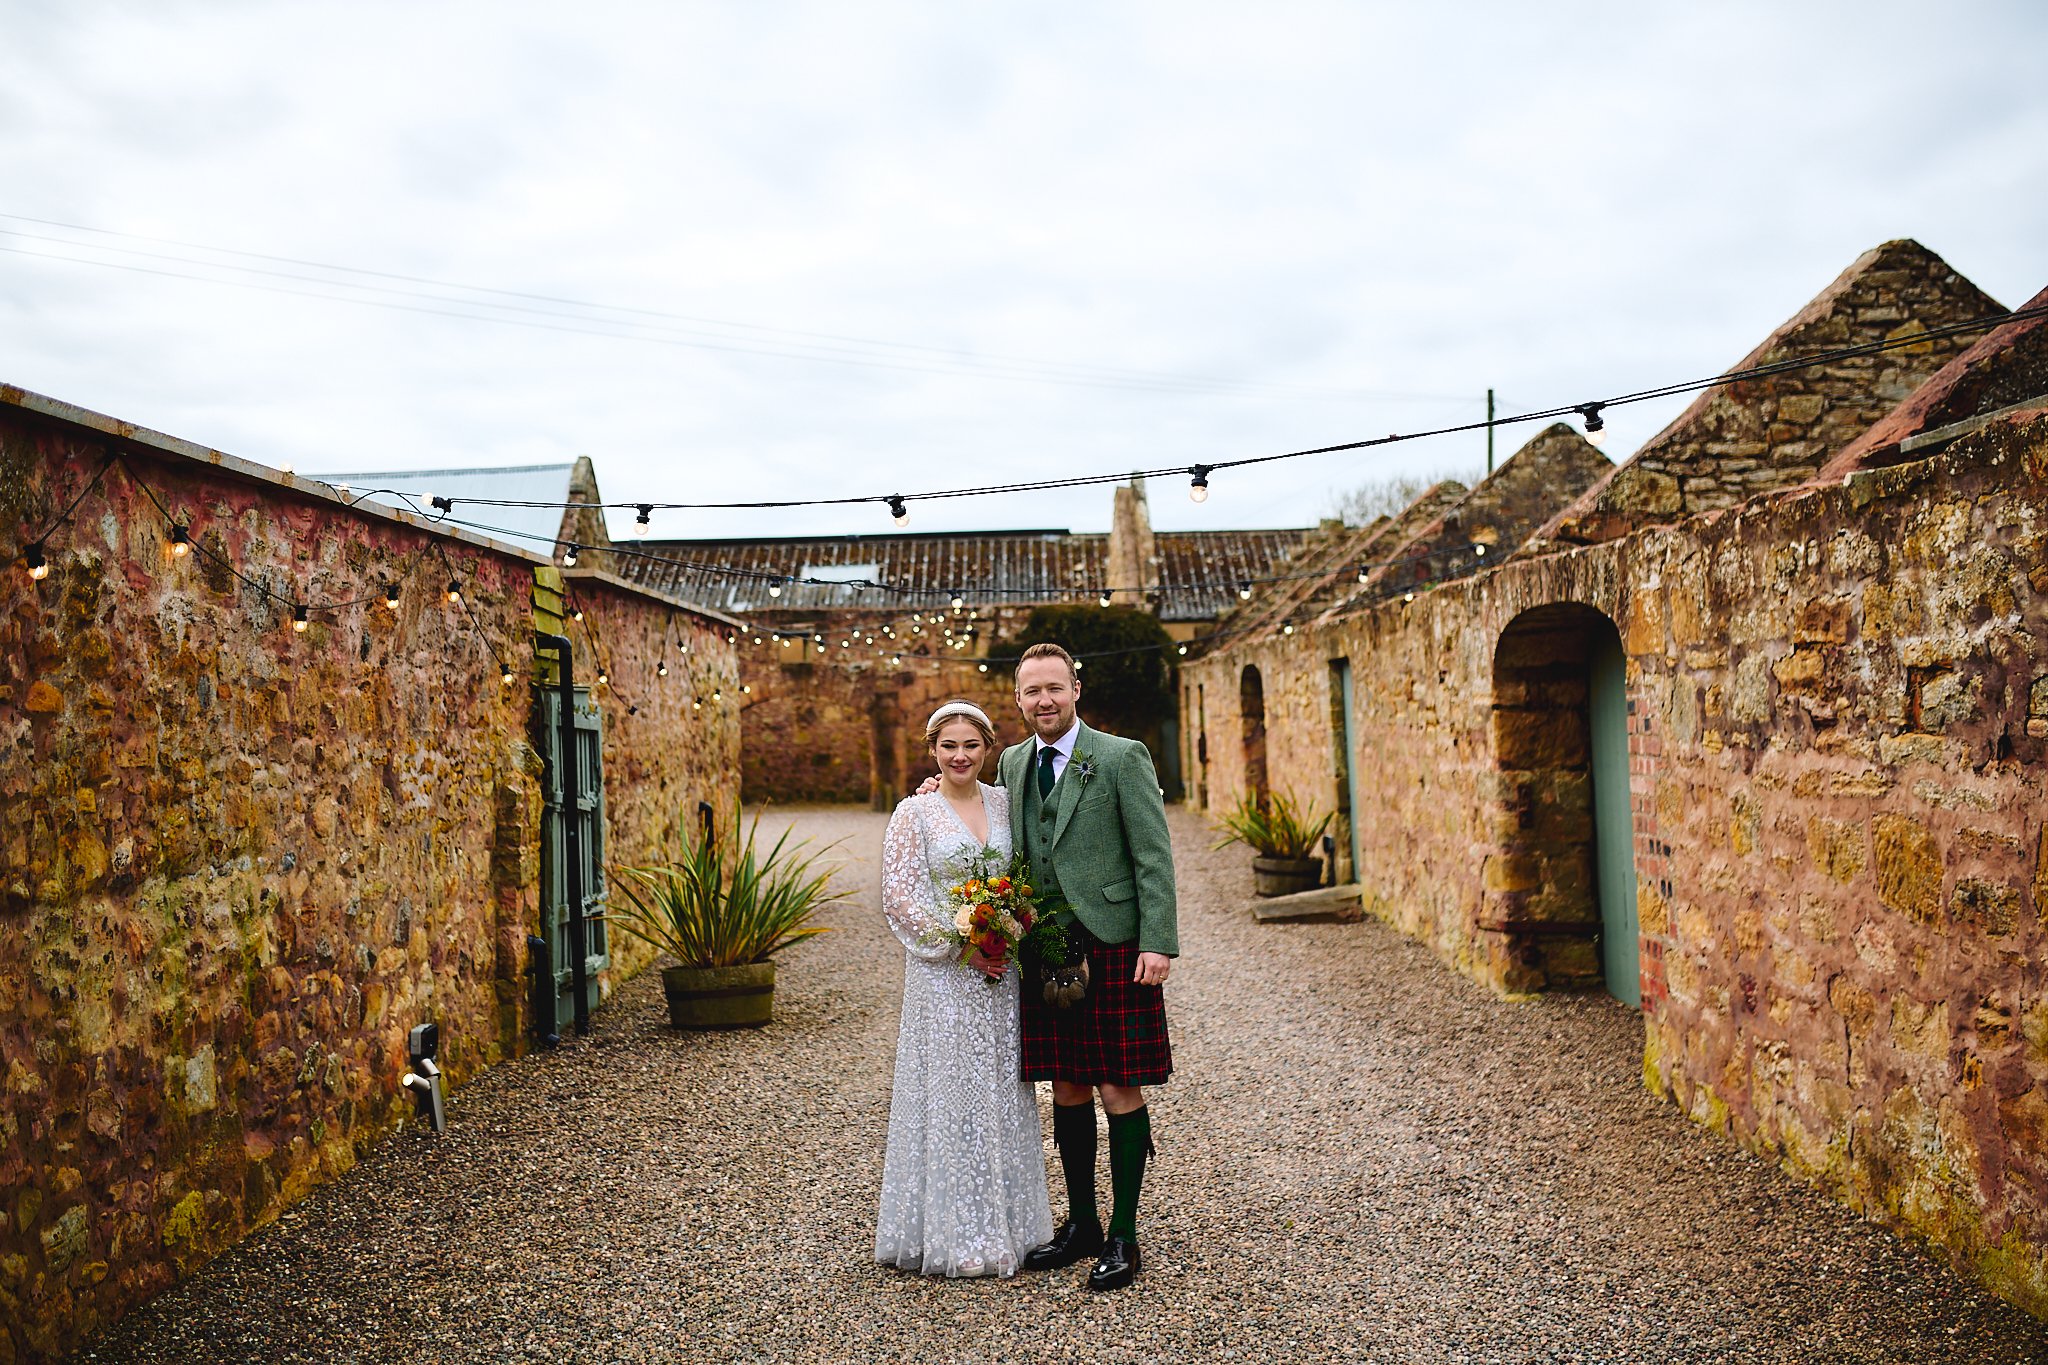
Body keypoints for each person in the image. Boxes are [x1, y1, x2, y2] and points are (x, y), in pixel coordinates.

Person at [925, 642, 1178, 1291]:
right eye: (1031, 691)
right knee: (1065, 1084)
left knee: (1118, 1085)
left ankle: (1123, 1232)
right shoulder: (1010, 760)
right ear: (1017, 699)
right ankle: (1083, 1223)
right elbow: (982, 814)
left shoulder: (1122, 755)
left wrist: (1159, 940)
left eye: (1054, 688)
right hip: (1044, 947)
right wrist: (938, 790)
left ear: (1075, 689)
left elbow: (1153, 855)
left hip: (1115, 940)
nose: (1044, 700)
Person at [874, 701, 1053, 1278]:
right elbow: (900, 895)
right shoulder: (914, 813)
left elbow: (1026, 870)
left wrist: (1010, 926)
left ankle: (1015, 1226)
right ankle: (956, 1234)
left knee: (1002, 1089)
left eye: (970, 746)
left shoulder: (1003, 801)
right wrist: (963, 946)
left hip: (1002, 980)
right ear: (933, 751)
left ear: (987, 749)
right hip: (946, 976)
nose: (959, 756)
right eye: (948, 746)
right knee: (953, 1091)